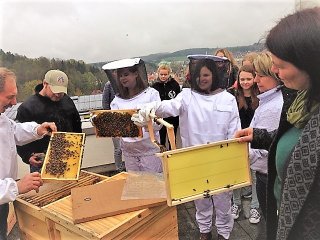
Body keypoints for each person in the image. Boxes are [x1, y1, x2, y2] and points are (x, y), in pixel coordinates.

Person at [132, 56, 241, 240]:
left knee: (223, 202)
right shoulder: (187, 96)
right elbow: (168, 107)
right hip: (195, 160)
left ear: (214, 75)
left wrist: (234, 159)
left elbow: (234, 131)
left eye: (206, 75)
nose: (202, 79)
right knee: (201, 199)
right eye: (198, 75)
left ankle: (224, 234)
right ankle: (204, 231)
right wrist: (150, 108)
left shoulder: (228, 99)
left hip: (221, 161)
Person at [235, 7, 320, 240]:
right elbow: (299, 140)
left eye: (280, 65)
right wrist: (259, 135)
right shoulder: (303, 99)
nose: (273, 71)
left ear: (310, 64)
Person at [0, 67, 57, 240]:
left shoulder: (1, 118)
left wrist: (38, 129)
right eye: (10, 97)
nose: (14, 102)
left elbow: (13, 130)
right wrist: (16, 187)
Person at [102, 58, 162, 173]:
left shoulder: (151, 95)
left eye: (126, 74)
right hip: (129, 153)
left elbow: (159, 124)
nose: (123, 78)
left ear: (136, 74)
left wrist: (146, 123)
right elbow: (116, 127)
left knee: (153, 185)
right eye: (120, 76)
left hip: (149, 151)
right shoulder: (117, 101)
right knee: (135, 186)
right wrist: (102, 121)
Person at [15, 70, 82, 173]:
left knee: (71, 188)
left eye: (61, 91)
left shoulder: (67, 101)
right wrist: (27, 156)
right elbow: (18, 135)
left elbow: (76, 123)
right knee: (46, 189)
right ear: (45, 84)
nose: (58, 95)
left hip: (69, 155)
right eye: (55, 91)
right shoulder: (28, 107)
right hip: (41, 161)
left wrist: (78, 146)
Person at [229, 64, 260, 223]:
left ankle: (255, 206)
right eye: (242, 79)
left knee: (254, 173)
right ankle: (236, 203)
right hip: (238, 139)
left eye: (249, 79)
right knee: (236, 173)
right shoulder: (233, 96)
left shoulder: (260, 95)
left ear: (254, 78)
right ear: (238, 80)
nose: (246, 82)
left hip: (254, 139)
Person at [151, 63, 181, 149]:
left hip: (173, 118)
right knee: (161, 139)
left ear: (169, 74)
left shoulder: (174, 84)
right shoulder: (154, 87)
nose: (163, 76)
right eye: (161, 74)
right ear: (158, 74)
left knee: (172, 139)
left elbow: (178, 100)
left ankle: (172, 156)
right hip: (160, 119)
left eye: (165, 74)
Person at [102, 81, 124, 172]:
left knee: (129, 146)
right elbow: (105, 103)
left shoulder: (126, 82)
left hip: (126, 120)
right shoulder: (109, 85)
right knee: (118, 148)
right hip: (114, 121)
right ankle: (119, 169)